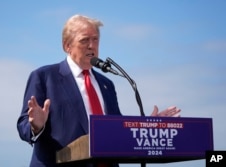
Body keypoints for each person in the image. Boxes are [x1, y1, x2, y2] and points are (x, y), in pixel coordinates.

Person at [17, 14, 181, 167]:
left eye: (95, 40)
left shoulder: (106, 84)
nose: (91, 45)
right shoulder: (44, 77)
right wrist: (36, 127)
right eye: (84, 40)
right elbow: (24, 125)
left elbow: (116, 129)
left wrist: (144, 127)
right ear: (67, 45)